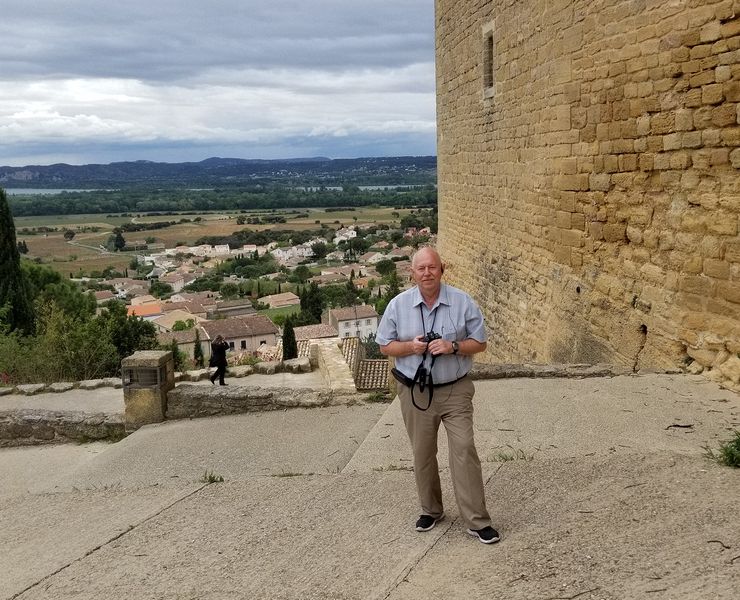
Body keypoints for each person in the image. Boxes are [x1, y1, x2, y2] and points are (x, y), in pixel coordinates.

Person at [376, 246, 500, 544]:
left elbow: (480, 343)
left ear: (442, 269)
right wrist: (411, 347)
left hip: (455, 389)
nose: (427, 273)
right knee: (422, 453)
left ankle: (476, 520)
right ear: (412, 273)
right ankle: (431, 510)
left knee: (464, 449)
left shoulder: (462, 302)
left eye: (432, 267)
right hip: (415, 391)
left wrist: (452, 347)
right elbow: (384, 346)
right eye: (421, 268)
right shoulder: (398, 305)